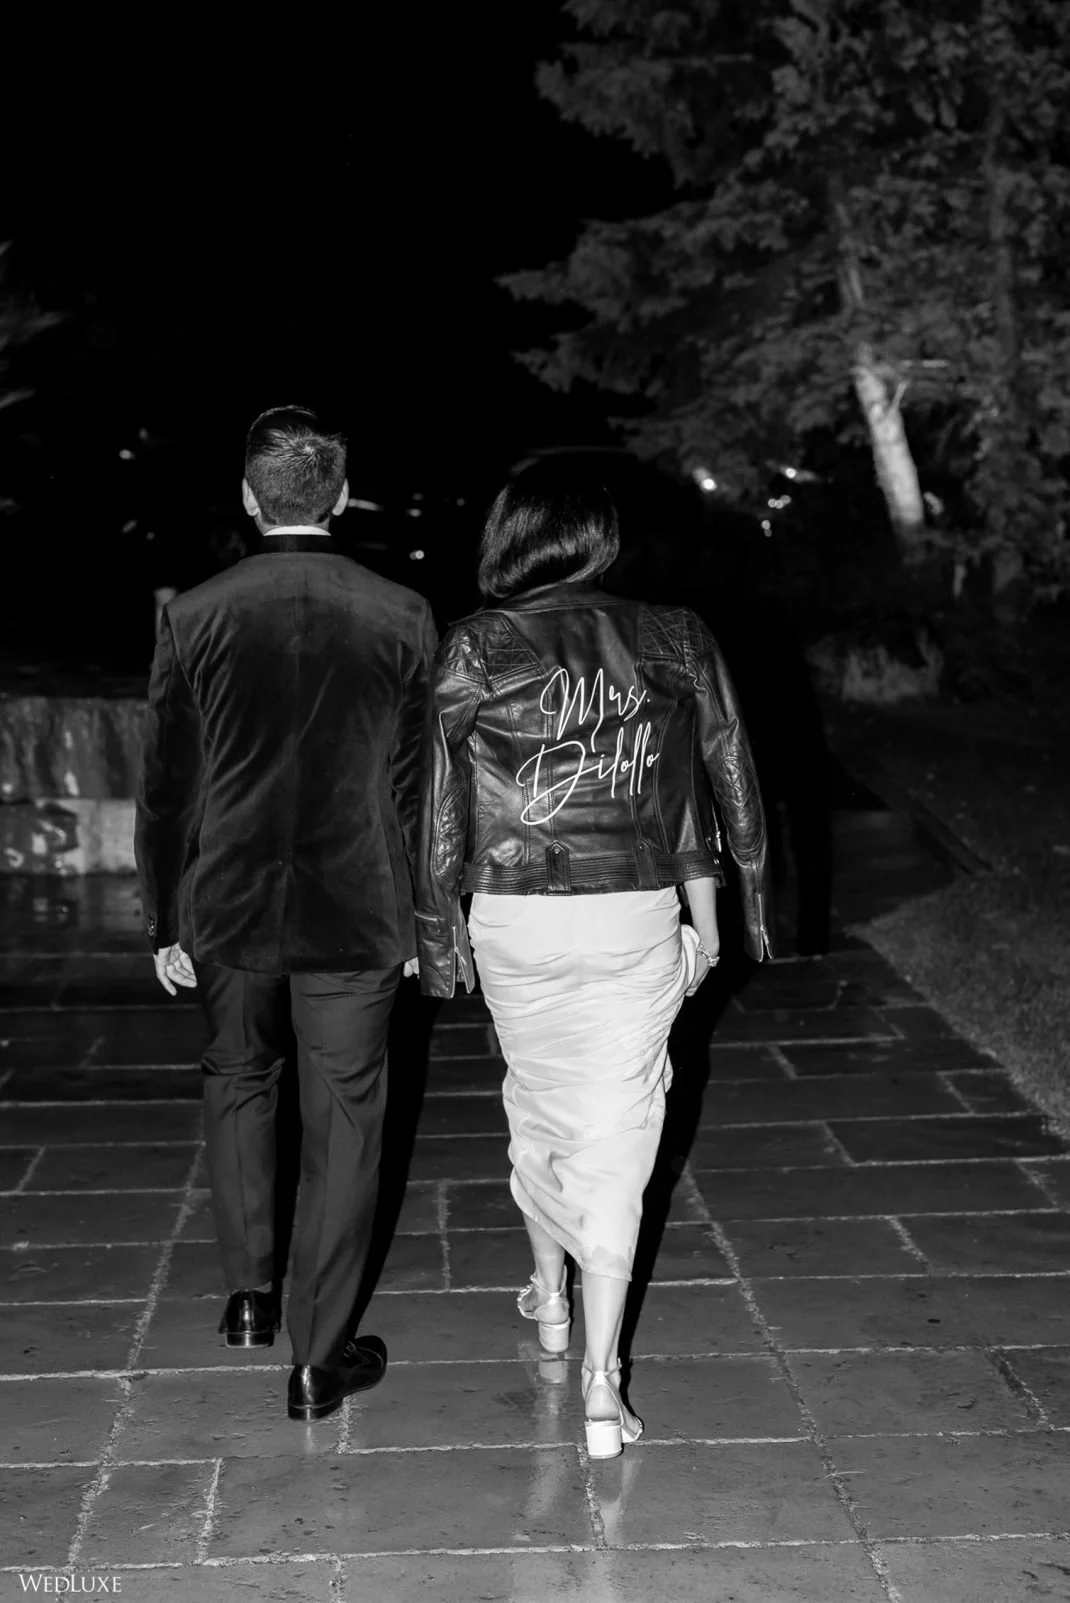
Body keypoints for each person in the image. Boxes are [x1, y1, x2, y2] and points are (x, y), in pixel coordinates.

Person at [416, 462, 773, 1458]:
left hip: (516, 915)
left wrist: (436, 930)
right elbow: (713, 776)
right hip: (632, 914)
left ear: (511, 537)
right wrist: (715, 910)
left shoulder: (476, 643)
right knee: (618, 1134)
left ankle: (549, 1304)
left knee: (538, 1097)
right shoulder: (671, 634)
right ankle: (603, 1384)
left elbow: (434, 803)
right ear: (599, 538)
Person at [135, 406, 437, 1422]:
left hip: (225, 895)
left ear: (248, 499)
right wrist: (421, 915)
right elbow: (415, 789)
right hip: (356, 903)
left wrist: (164, 917)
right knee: (347, 1116)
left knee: (234, 1075)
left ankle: (250, 1293)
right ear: (341, 497)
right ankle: (317, 1354)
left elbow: (167, 783)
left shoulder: (197, 612)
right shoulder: (400, 611)